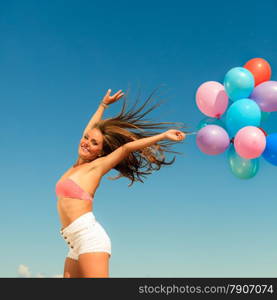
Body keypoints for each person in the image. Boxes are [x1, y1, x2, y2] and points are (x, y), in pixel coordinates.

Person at [55, 88, 188, 278]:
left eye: (94, 143)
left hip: (89, 239)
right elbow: (90, 129)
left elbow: (126, 148)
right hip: (74, 242)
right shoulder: (75, 167)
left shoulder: (96, 167)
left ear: (100, 152)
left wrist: (163, 136)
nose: (87, 143)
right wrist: (103, 106)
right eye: (86, 138)